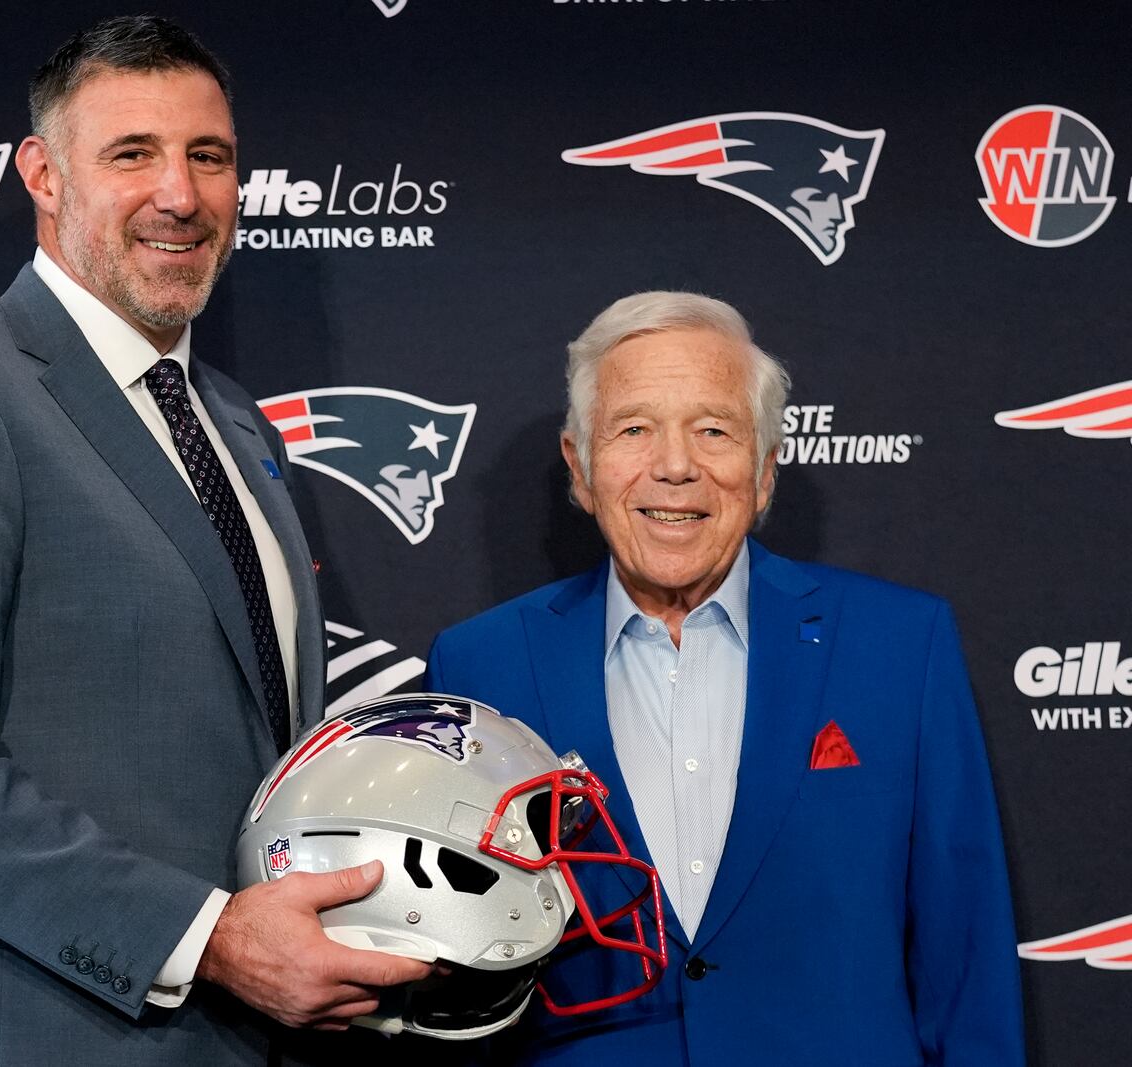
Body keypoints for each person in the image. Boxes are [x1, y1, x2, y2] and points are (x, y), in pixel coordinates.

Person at [0, 16, 428, 1067]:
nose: (178, 194)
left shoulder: (234, 422)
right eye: (131, 153)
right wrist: (209, 937)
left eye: (209, 157)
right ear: (41, 175)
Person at [424, 292, 1024, 1065]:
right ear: (581, 466)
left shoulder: (901, 647)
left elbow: (965, 952)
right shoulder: (481, 664)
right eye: (634, 429)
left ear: (766, 467)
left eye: (713, 430)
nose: (675, 466)